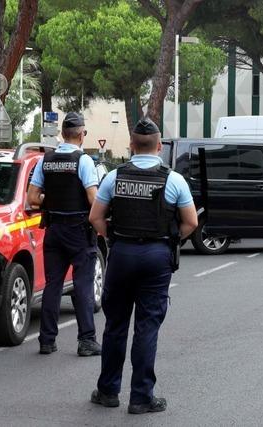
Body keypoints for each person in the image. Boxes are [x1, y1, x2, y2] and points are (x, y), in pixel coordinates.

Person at [89, 118, 198, 415]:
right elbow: (191, 222)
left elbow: (95, 217)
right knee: (147, 326)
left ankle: (109, 391)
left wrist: (112, 237)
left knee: (115, 326)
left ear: (131, 145)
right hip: (156, 255)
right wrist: (170, 240)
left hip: (122, 253)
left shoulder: (114, 177)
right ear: (160, 147)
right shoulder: (173, 179)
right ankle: (141, 397)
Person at [27, 112, 101, 357]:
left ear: (62, 134)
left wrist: (53, 199)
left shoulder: (45, 161)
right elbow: (93, 199)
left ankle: (47, 340)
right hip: (79, 230)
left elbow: (32, 198)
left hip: (54, 230)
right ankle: (86, 340)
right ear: (81, 135)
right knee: (82, 286)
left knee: (53, 285)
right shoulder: (84, 161)